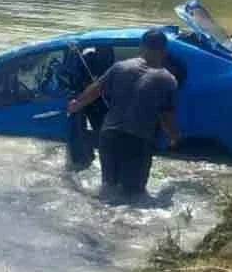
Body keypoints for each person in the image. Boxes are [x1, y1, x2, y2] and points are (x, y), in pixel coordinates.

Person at [66, 29, 181, 200]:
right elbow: (166, 117)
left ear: (141, 47)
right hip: (138, 140)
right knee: (134, 195)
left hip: (109, 136)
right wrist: (174, 137)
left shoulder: (120, 67)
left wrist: (76, 104)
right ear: (164, 51)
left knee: (108, 188)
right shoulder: (168, 80)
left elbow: (96, 89)